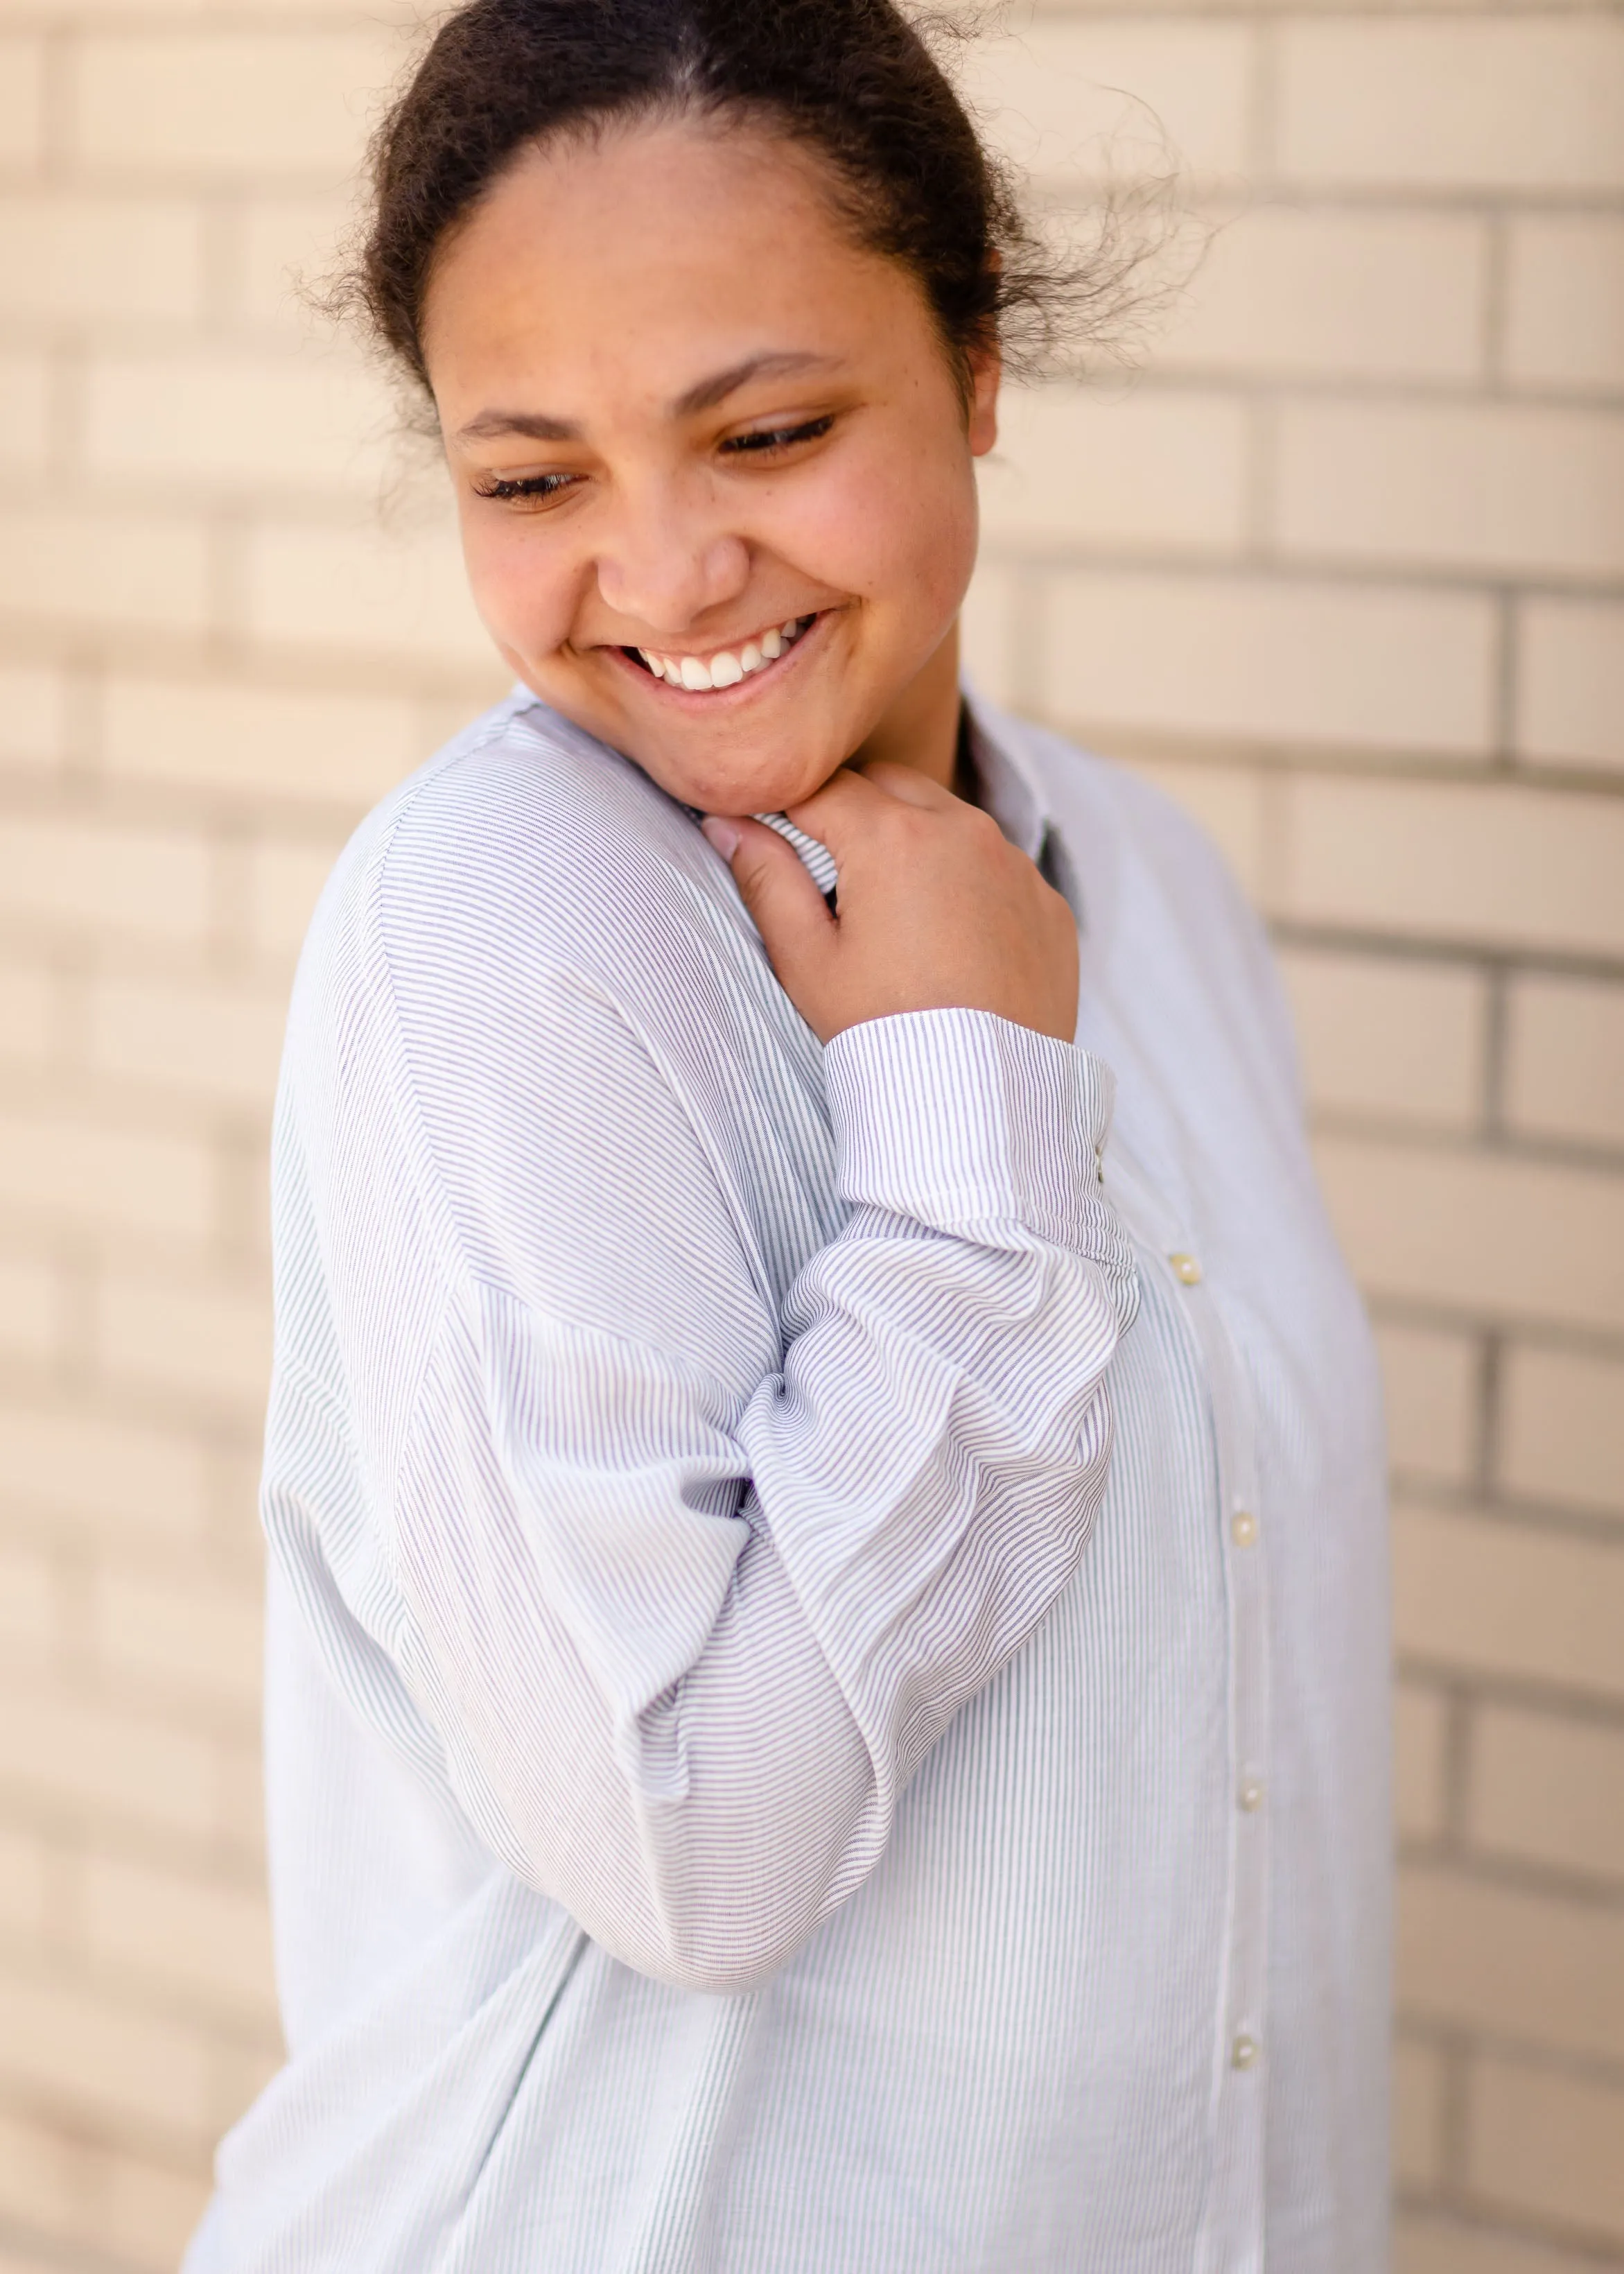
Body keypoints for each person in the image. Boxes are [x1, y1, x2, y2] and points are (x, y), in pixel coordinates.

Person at [184, 2, 1390, 2266]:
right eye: (531, 479)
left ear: (979, 366)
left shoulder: (1158, 892)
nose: (658, 576)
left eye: (766, 430)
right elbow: (691, 1848)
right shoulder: (502, 925)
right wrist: (958, 1103)